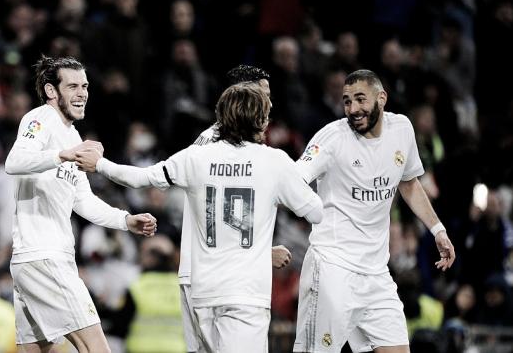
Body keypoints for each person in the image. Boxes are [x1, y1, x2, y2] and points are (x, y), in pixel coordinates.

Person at [76, 82, 324, 352]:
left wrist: (100, 164)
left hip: (203, 293)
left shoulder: (196, 157)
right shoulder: (275, 161)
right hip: (245, 294)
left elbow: (141, 177)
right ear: (261, 120)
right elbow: (315, 211)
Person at [293, 69, 456, 353]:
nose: (353, 109)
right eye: (346, 101)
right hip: (332, 268)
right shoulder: (331, 138)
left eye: (360, 99)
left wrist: (438, 229)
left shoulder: (402, 129)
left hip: (377, 274)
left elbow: (409, 182)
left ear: (382, 98)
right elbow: (292, 181)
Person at [4, 55, 157, 353]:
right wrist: (63, 154)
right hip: (45, 257)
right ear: (52, 91)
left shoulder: (72, 135)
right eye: (72, 86)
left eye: (85, 86)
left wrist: (125, 220)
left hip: (33, 261)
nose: (82, 93)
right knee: (97, 348)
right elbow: (14, 162)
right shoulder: (40, 119)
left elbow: (83, 200)